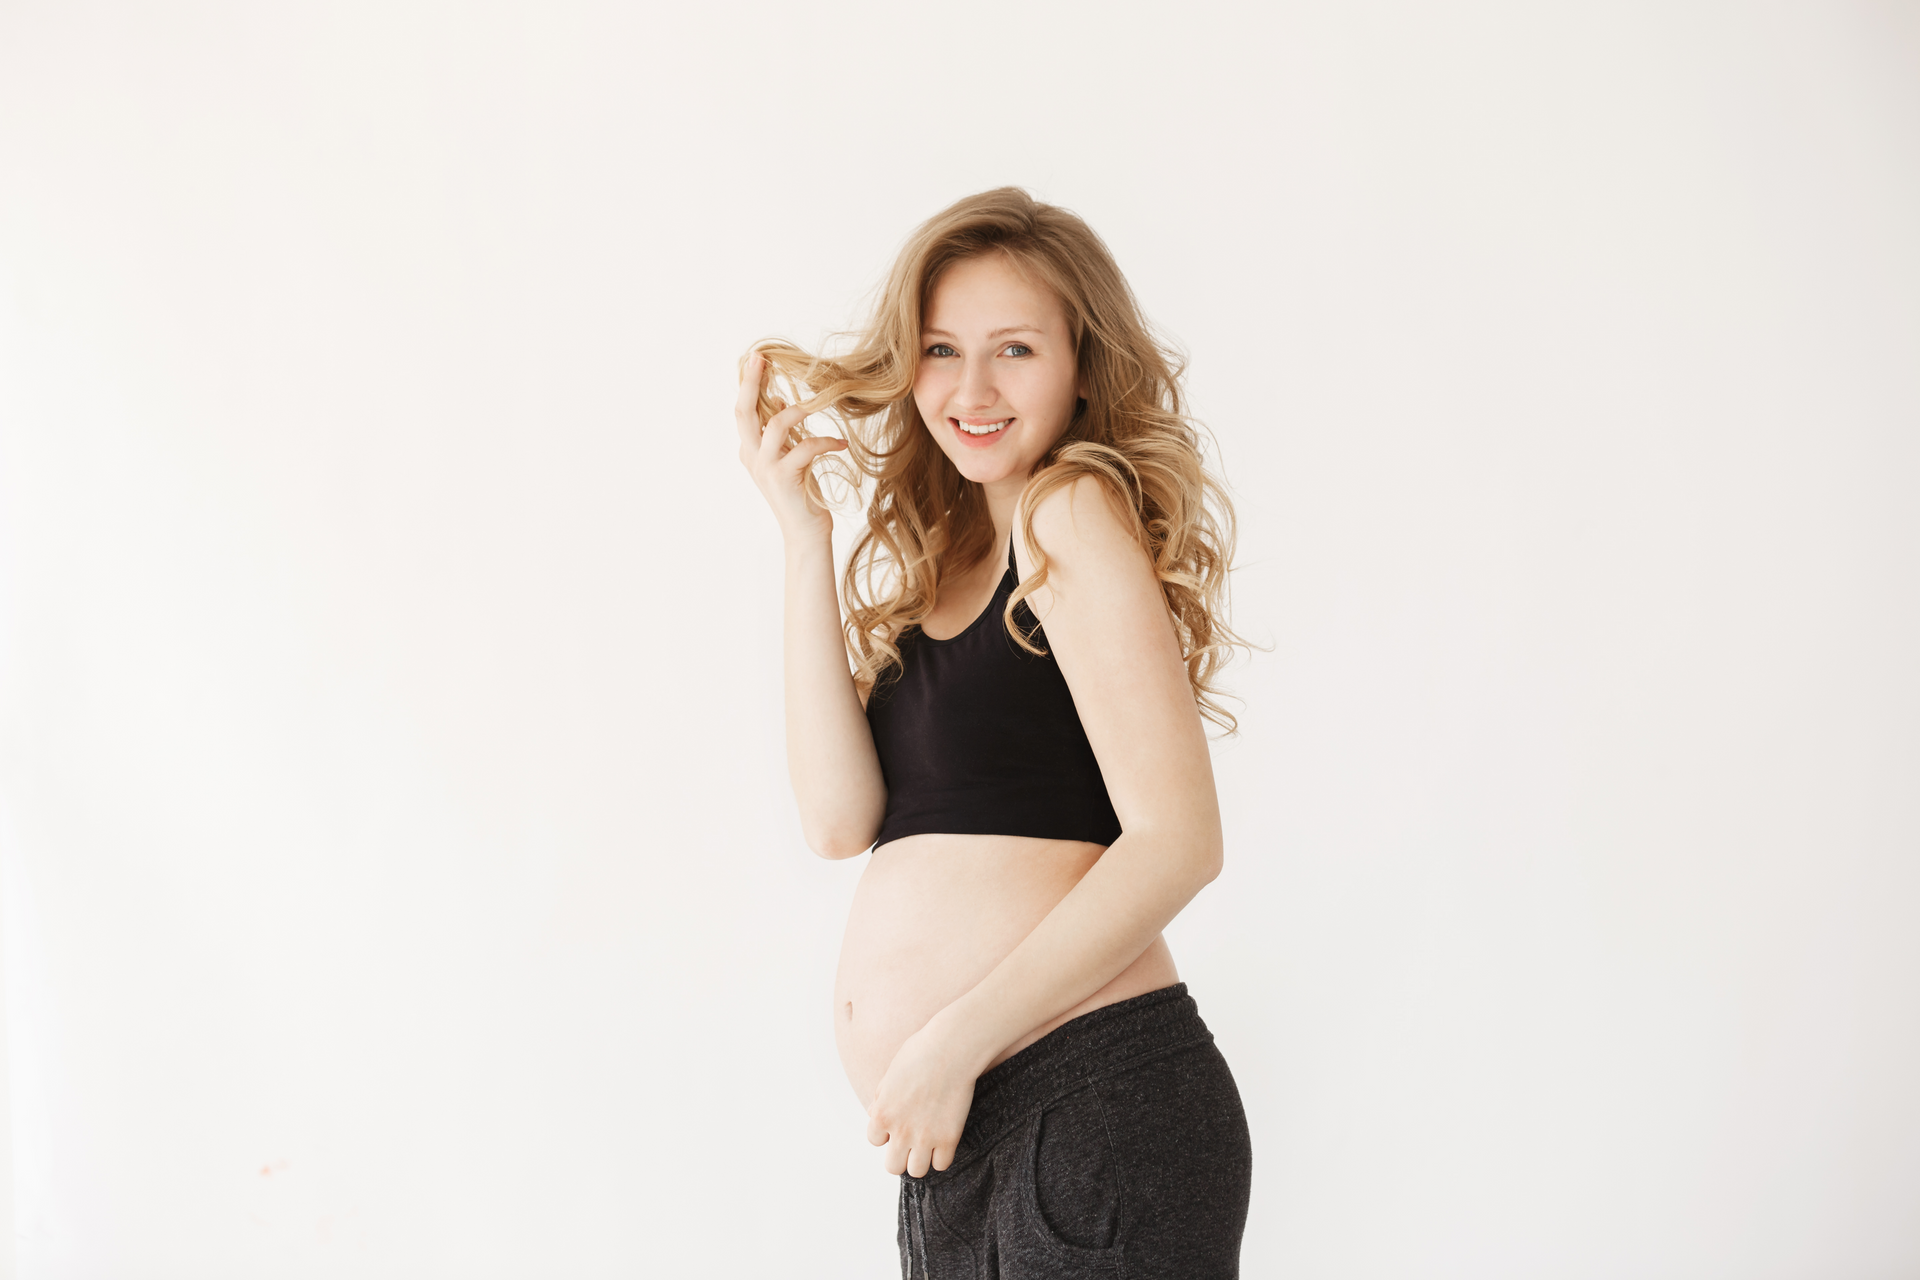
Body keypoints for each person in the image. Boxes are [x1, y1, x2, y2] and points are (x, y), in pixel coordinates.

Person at [732, 188, 1252, 1277]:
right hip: (960, 1132)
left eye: (1014, 349)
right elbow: (839, 819)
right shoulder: (946, 569)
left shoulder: (1068, 513)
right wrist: (802, 539)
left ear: (1079, 364)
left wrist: (951, 1041)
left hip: (1086, 1099)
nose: (971, 388)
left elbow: (1179, 838)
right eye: (940, 349)